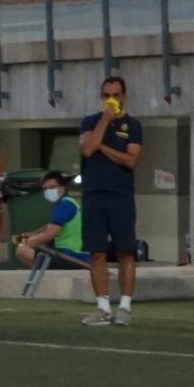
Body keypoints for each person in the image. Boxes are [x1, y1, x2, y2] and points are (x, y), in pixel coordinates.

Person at [78, 76, 143, 326]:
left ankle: (125, 306)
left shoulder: (133, 125)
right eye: (107, 95)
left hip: (121, 195)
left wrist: (102, 148)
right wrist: (105, 119)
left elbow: (131, 160)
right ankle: (102, 307)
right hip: (94, 194)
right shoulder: (90, 121)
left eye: (115, 95)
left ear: (124, 96)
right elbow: (86, 149)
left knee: (126, 251)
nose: (111, 100)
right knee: (97, 252)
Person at [12, 171, 89, 268]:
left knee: (21, 250)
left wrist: (25, 242)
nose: (48, 191)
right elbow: (48, 228)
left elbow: (48, 235)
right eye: (45, 189)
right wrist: (29, 235)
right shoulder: (69, 203)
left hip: (71, 256)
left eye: (52, 187)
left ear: (62, 188)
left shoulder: (64, 205)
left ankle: (45, 275)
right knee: (37, 248)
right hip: (70, 254)